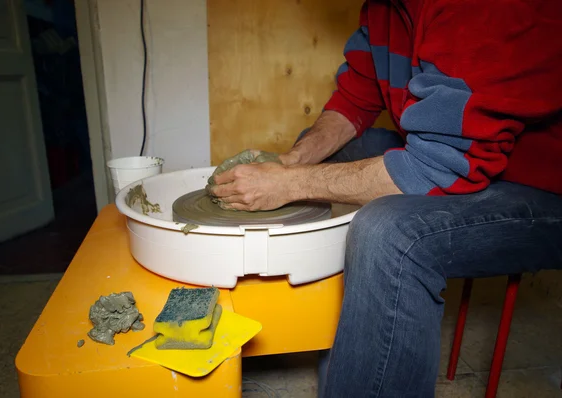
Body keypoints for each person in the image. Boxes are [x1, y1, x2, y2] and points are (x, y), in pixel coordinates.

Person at [208, 0, 562, 396]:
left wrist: (289, 185)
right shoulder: (383, 9)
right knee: (322, 151)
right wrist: (290, 164)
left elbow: (437, 166)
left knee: (389, 235)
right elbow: (354, 100)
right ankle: (340, 342)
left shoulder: (479, 9)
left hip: (541, 188)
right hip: (463, 152)